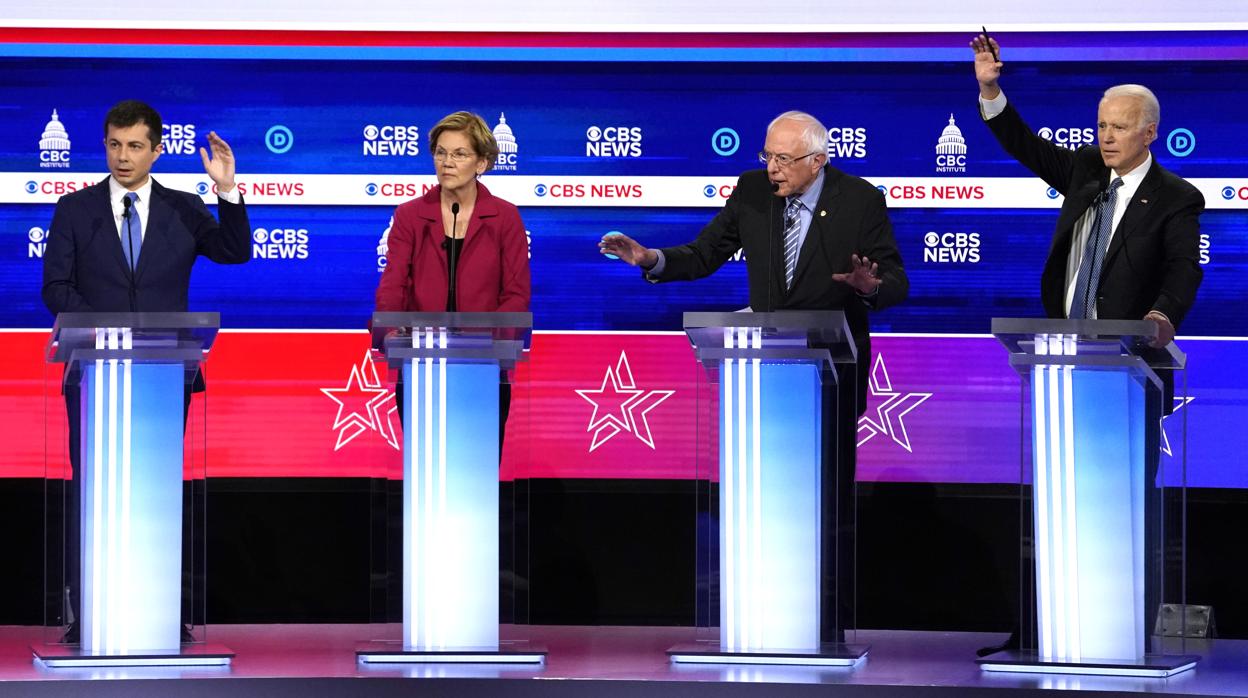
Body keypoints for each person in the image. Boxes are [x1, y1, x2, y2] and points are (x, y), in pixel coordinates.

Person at [599, 110, 908, 640]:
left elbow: (896, 281)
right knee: (763, 498)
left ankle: (823, 625)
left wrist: (867, 286)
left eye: (783, 160)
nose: (771, 169)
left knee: (825, 502)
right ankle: (761, 617)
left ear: (817, 161)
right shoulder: (751, 191)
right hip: (762, 380)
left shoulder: (861, 200)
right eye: (767, 156)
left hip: (831, 376)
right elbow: (704, 253)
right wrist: (652, 258)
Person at [971, 33, 1203, 656]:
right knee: (1053, 497)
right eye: (1100, 125)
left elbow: (1185, 268)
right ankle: (1040, 631)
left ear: (1149, 133)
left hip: (1131, 369)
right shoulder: (1082, 174)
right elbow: (1021, 143)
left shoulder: (1177, 198)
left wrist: (1163, 313)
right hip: (1060, 362)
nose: (1105, 137)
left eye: (1119, 128)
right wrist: (991, 89)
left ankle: (1121, 632)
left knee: (1122, 499)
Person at [41, 99, 251, 643]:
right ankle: (88, 611)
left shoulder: (184, 208)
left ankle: (159, 608)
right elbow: (55, 289)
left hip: (164, 374)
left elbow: (235, 251)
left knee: (155, 490)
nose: (123, 156)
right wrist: (111, 330)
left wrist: (226, 190)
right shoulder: (74, 210)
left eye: (135, 146)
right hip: (92, 374)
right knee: (94, 489)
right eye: (114, 144)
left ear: (157, 150)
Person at [373, 111, 531, 622]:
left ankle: (472, 599)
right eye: (441, 152)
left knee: (476, 481)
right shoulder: (410, 216)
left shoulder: (503, 217)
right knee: (428, 480)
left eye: (460, 153)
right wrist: (387, 330)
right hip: (421, 372)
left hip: (484, 374)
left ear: (483, 161)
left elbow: (514, 295)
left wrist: (497, 351)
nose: (447, 162)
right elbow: (394, 284)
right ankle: (428, 597)